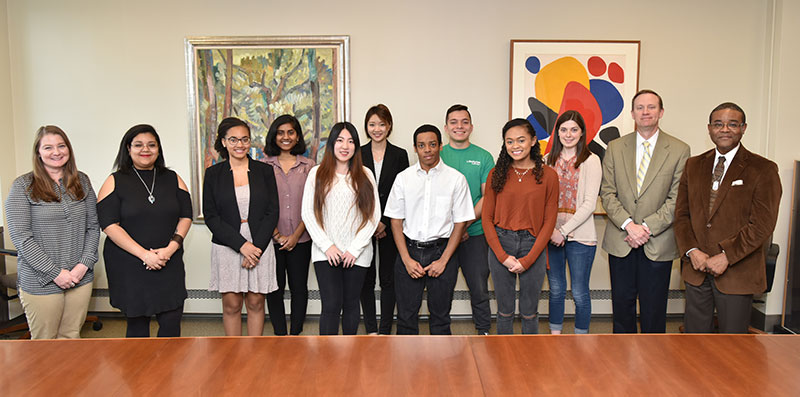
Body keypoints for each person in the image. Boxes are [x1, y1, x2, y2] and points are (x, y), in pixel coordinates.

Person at [675, 102, 781, 333]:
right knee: (694, 344)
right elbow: (682, 215)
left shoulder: (763, 169)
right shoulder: (693, 165)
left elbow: (763, 224)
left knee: (733, 348)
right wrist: (692, 251)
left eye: (732, 124)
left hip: (737, 272)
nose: (725, 129)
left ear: (743, 128)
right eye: (718, 124)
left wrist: (726, 256)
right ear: (709, 128)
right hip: (697, 269)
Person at [600, 89, 691, 333]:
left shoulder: (679, 149)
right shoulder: (615, 147)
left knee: (654, 309)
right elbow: (607, 193)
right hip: (622, 240)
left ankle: (654, 364)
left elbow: (677, 198)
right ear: (632, 113)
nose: (646, 112)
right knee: (622, 306)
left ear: (661, 112)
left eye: (651, 107)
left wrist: (646, 228)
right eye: (640, 107)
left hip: (657, 242)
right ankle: (621, 361)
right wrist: (630, 225)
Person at [97, 124, 192, 337]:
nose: (145, 149)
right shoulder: (115, 181)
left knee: (171, 322)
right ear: (128, 149)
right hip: (131, 264)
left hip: (168, 260)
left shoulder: (172, 177)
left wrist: (171, 248)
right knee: (138, 327)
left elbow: (186, 215)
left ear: (158, 149)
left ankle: (168, 370)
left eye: (151, 144)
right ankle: (138, 371)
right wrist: (144, 255)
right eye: (138, 145)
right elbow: (109, 225)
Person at [4, 126, 99, 339]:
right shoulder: (22, 186)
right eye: (48, 147)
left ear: (69, 149)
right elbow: (22, 238)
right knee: (45, 344)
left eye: (61, 146)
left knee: (71, 336)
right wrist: (55, 273)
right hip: (40, 281)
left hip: (80, 277)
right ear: (38, 152)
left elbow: (93, 227)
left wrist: (83, 265)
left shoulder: (81, 181)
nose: (56, 152)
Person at [384, 124, 474, 335]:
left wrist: (443, 261)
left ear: (440, 146)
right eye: (421, 145)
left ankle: (441, 367)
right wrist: (406, 260)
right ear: (415, 148)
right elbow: (395, 221)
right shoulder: (403, 178)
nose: (427, 150)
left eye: (432, 144)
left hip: (442, 252)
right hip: (409, 251)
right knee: (406, 318)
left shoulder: (455, 179)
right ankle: (408, 367)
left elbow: (460, 223)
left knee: (441, 318)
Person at [301, 122, 380, 335]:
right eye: (340, 140)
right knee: (331, 305)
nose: (345, 146)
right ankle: (328, 361)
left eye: (351, 141)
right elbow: (308, 213)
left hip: (358, 253)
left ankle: (349, 358)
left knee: (352, 304)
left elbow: (373, 216)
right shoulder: (316, 174)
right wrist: (328, 246)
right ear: (332, 144)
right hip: (325, 252)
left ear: (356, 146)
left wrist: (354, 249)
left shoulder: (365, 175)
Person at [204, 117, 279, 336]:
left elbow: (272, 212)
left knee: (256, 302)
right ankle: (233, 356)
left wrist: (254, 248)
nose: (240, 144)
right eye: (234, 139)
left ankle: (255, 357)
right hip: (228, 244)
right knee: (232, 304)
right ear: (224, 142)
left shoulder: (264, 171)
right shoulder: (213, 174)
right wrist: (242, 246)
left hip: (260, 243)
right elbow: (211, 216)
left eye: (245, 139)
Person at [483, 119, 558, 334]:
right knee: (504, 311)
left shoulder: (549, 176)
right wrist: (502, 256)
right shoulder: (496, 174)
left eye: (521, 140)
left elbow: (549, 222)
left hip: (533, 245)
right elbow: (487, 219)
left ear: (533, 141)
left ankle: (529, 362)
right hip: (501, 243)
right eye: (509, 141)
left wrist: (528, 259)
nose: (515, 146)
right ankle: (503, 360)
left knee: (529, 311)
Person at [545, 111, 602, 334]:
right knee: (556, 290)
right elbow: (542, 201)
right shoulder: (547, 159)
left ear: (581, 133)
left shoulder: (591, 160)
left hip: (581, 237)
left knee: (579, 292)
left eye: (574, 129)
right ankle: (555, 336)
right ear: (557, 133)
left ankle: (581, 339)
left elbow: (589, 204)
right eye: (564, 129)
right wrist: (551, 231)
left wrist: (564, 231)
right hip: (551, 236)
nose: (568, 134)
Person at [440, 104, 494, 335]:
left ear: (471, 127)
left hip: (475, 234)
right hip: (442, 235)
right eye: (454, 122)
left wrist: (464, 225)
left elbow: (486, 196)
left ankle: (483, 332)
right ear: (446, 127)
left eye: (464, 122)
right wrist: (452, 229)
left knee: (479, 288)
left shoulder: (484, 157)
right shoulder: (437, 154)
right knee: (441, 288)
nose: (459, 126)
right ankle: (440, 333)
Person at [359, 104, 409, 335]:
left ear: (389, 126)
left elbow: (402, 193)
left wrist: (385, 222)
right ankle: (370, 328)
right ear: (366, 127)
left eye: (381, 124)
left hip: (391, 226)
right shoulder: (357, 153)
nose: (377, 129)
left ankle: (385, 328)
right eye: (372, 124)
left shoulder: (400, 155)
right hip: (362, 225)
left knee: (388, 279)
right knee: (366, 279)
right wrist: (371, 222)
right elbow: (354, 192)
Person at [264, 114, 315, 336]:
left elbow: (313, 204)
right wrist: (277, 235)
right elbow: (261, 205)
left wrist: (295, 236)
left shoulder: (309, 166)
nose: (285, 137)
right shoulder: (263, 166)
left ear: (297, 137)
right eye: (281, 132)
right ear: (274, 136)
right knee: (274, 289)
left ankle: (295, 334)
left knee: (299, 288)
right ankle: (279, 334)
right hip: (271, 240)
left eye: (290, 132)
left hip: (301, 239)